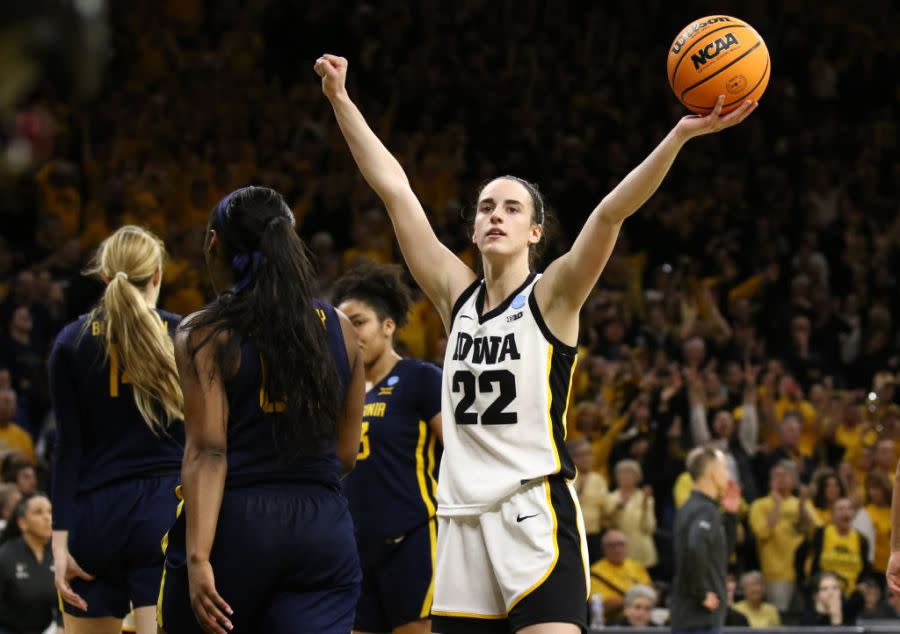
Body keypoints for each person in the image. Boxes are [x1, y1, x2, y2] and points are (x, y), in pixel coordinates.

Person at [317, 52, 756, 634]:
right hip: (461, 524)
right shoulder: (457, 297)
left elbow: (610, 214)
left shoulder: (553, 297)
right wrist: (342, 101)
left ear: (535, 231)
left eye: (511, 207)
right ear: (473, 229)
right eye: (485, 208)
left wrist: (678, 136)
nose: (495, 215)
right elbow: (395, 189)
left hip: (533, 514)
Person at [157, 186, 366, 634]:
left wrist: (198, 558)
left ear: (214, 243)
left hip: (237, 525)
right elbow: (347, 454)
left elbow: (209, 452)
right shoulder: (343, 329)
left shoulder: (204, 332)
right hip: (323, 529)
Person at [48, 225, 185, 634]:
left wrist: (59, 541)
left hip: (93, 517)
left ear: (105, 277)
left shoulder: (70, 341)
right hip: (165, 511)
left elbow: (66, 450)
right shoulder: (185, 334)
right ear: (157, 275)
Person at [331, 262, 443, 634]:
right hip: (353, 547)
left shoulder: (421, 379)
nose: (350, 334)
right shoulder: (337, 395)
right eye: (342, 326)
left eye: (359, 322)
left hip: (411, 539)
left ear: (388, 326)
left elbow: (460, 457)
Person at [670, 447, 741, 634]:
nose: (728, 475)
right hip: (699, 619)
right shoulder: (704, 510)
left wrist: (731, 516)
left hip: (694, 618)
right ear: (713, 472)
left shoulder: (693, 507)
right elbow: (696, 546)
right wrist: (701, 593)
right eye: (725, 468)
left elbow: (722, 555)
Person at [747, 460, 820, 613]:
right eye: (777, 476)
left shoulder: (801, 504)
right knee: (780, 618)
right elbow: (761, 533)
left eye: (785, 476)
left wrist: (802, 509)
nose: (781, 479)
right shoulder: (759, 505)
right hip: (776, 573)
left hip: (802, 573)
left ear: (793, 481)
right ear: (770, 481)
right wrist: (778, 505)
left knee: (802, 617)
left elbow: (816, 531)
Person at [0, 494, 56, 634]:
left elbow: (67, 600)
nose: (47, 517)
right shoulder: (5, 556)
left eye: (50, 512)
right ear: (22, 523)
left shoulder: (58, 554)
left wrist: (61, 626)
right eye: (38, 512)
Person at [806, 497, 871, 594]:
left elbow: (865, 571)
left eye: (849, 508)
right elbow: (802, 556)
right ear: (832, 515)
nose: (845, 512)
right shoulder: (821, 534)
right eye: (840, 509)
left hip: (851, 595)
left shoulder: (862, 540)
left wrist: (861, 586)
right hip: (823, 592)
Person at [589, 530, 652, 625]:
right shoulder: (595, 572)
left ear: (627, 546)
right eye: (611, 545)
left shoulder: (636, 566)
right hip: (615, 620)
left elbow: (651, 593)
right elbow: (601, 606)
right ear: (603, 549)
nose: (617, 549)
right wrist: (635, 601)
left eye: (621, 544)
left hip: (643, 617)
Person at [605, 459, 657, 569]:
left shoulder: (646, 498)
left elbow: (649, 528)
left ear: (637, 477)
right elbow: (608, 526)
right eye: (621, 473)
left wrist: (645, 505)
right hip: (619, 551)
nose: (624, 476)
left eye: (629, 473)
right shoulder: (610, 498)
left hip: (641, 551)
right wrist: (617, 509)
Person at [567, 438, 608, 562]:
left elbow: (605, 508)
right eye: (581, 455)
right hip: (572, 535)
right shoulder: (566, 480)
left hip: (594, 535)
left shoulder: (599, 479)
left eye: (589, 454)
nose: (586, 458)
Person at [0, 389, 35, 464]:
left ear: (15, 407)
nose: (2, 406)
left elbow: (30, 466)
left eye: (7, 402)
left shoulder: (23, 437)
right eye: (0, 402)